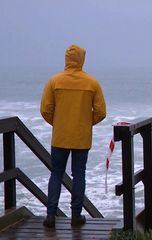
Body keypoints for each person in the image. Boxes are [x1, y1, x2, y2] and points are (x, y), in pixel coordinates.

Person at [40, 44, 106, 228]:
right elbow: (101, 112)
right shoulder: (92, 83)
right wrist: (84, 123)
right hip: (81, 137)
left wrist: (59, 123)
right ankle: (76, 216)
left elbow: (45, 109)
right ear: (82, 59)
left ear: (66, 59)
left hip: (60, 136)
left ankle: (51, 216)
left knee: (56, 173)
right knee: (79, 175)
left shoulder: (54, 81)